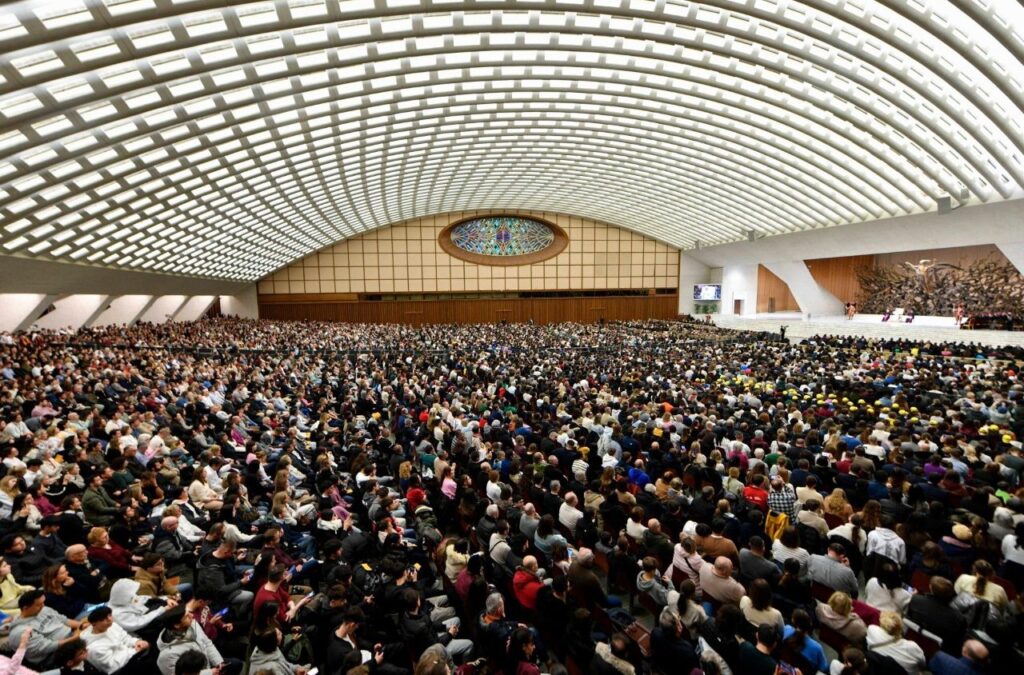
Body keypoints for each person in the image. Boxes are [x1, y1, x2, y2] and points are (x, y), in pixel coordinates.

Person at [8, 590, 80, 668]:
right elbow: (47, 647)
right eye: (38, 605)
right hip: (53, 655)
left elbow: (64, 620)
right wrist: (74, 638)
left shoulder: (43, 609)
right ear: (25, 608)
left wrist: (81, 626)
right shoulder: (20, 632)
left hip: (72, 636)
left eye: (43, 603)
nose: (43, 606)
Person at [155, 606, 235, 675]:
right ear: (177, 625)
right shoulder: (167, 656)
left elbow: (207, 643)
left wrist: (218, 662)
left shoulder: (192, 623)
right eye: (187, 616)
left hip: (207, 663)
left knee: (236, 664)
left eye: (189, 613)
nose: (192, 616)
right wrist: (209, 673)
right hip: (203, 671)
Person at [79, 605, 153, 675]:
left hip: (129, 653)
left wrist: (136, 642)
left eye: (109, 615)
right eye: (103, 619)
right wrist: (135, 651)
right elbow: (113, 666)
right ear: (94, 624)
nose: (109, 619)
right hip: (120, 669)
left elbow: (125, 638)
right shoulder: (95, 648)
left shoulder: (111, 625)